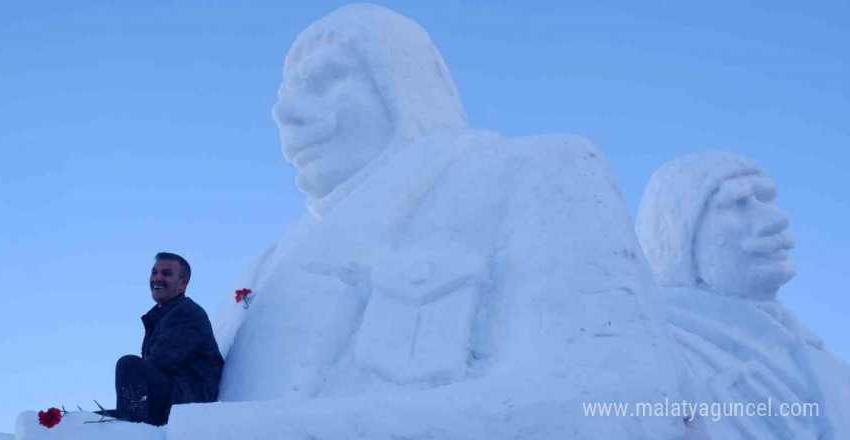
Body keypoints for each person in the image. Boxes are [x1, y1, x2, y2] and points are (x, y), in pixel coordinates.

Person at [205, 4, 685, 438]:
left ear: (401, 85)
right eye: (286, 94)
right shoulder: (262, 273)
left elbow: (622, 404)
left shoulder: (534, 173)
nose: (285, 113)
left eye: (326, 80)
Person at [636, 150, 845, 439]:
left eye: (764, 200)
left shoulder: (825, 363)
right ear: (678, 238)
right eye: (736, 204)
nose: (777, 219)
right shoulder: (645, 354)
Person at [107, 252, 224, 425]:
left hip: (187, 402)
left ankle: (131, 431)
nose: (157, 278)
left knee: (129, 365)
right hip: (170, 397)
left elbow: (162, 362)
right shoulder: (163, 316)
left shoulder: (188, 312)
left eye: (166, 274)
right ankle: (129, 425)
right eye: (154, 272)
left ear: (183, 283)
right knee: (92, 418)